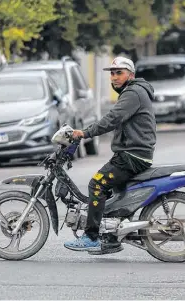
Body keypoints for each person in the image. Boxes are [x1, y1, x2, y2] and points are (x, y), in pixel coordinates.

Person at [63, 56, 156, 254]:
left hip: (132, 156)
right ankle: (111, 239)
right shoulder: (133, 91)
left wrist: (84, 133)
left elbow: (112, 119)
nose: (114, 77)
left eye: (119, 73)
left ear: (131, 75)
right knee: (111, 195)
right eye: (112, 74)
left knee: (96, 184)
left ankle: (91, 237)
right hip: (132, 153)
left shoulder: (133, 93)